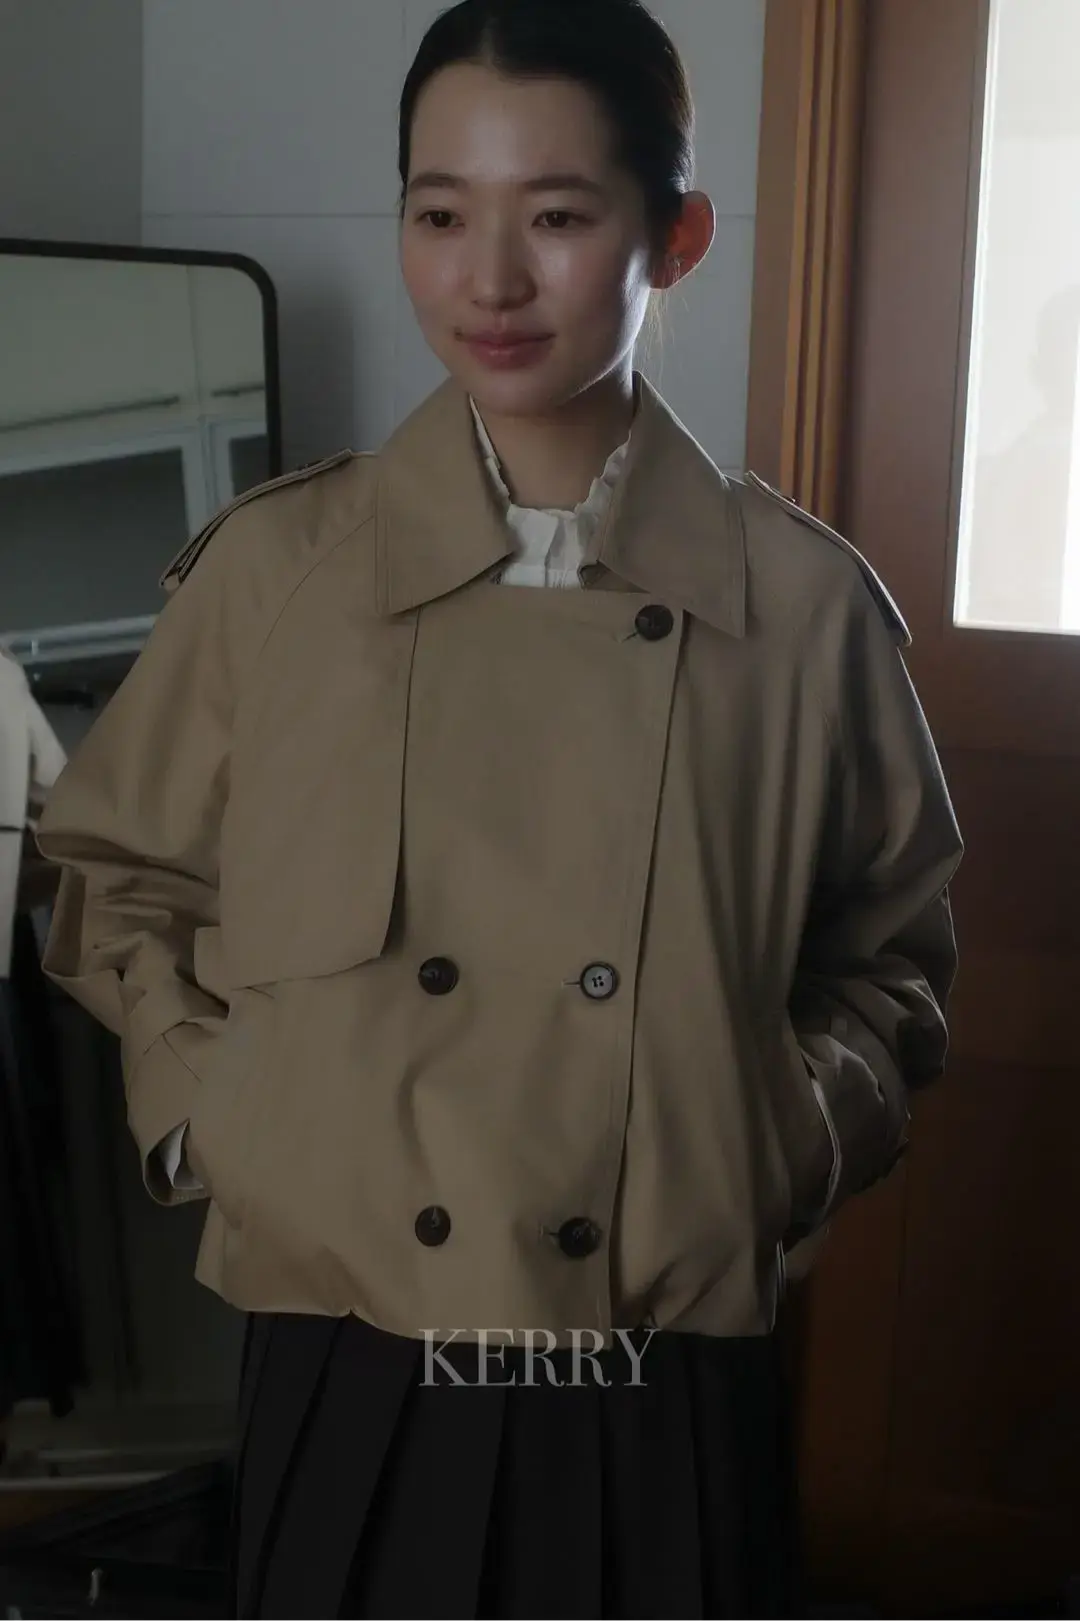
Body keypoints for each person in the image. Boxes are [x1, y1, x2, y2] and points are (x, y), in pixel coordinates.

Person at [34, 0, 963, 1615]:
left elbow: (892, 960)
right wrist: (218, 1113)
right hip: (347, 1339)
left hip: (657, 1355)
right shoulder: (277, 574)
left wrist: (770, 1145)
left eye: (557, 216)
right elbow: (114, 875)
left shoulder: (802, 607)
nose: (489, 280)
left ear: (675, 239)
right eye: (440, 213)